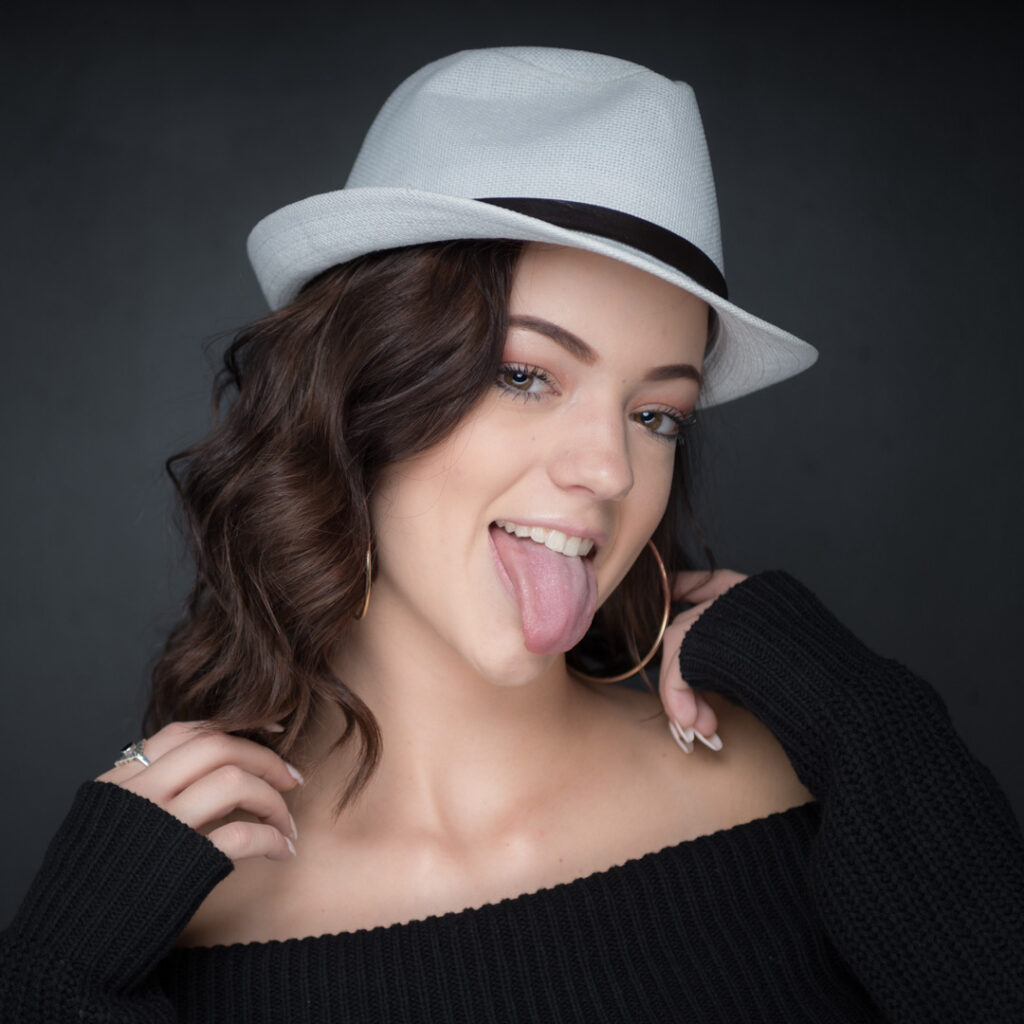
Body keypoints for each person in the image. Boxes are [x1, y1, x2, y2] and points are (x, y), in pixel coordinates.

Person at [1, 46, 1021, 1024]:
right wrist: (52, 973)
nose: (613, 470)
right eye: (526, 374)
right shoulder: (183, 919)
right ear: (358, 396)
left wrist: (863, 720)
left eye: (655, 412)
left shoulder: (797, 786)